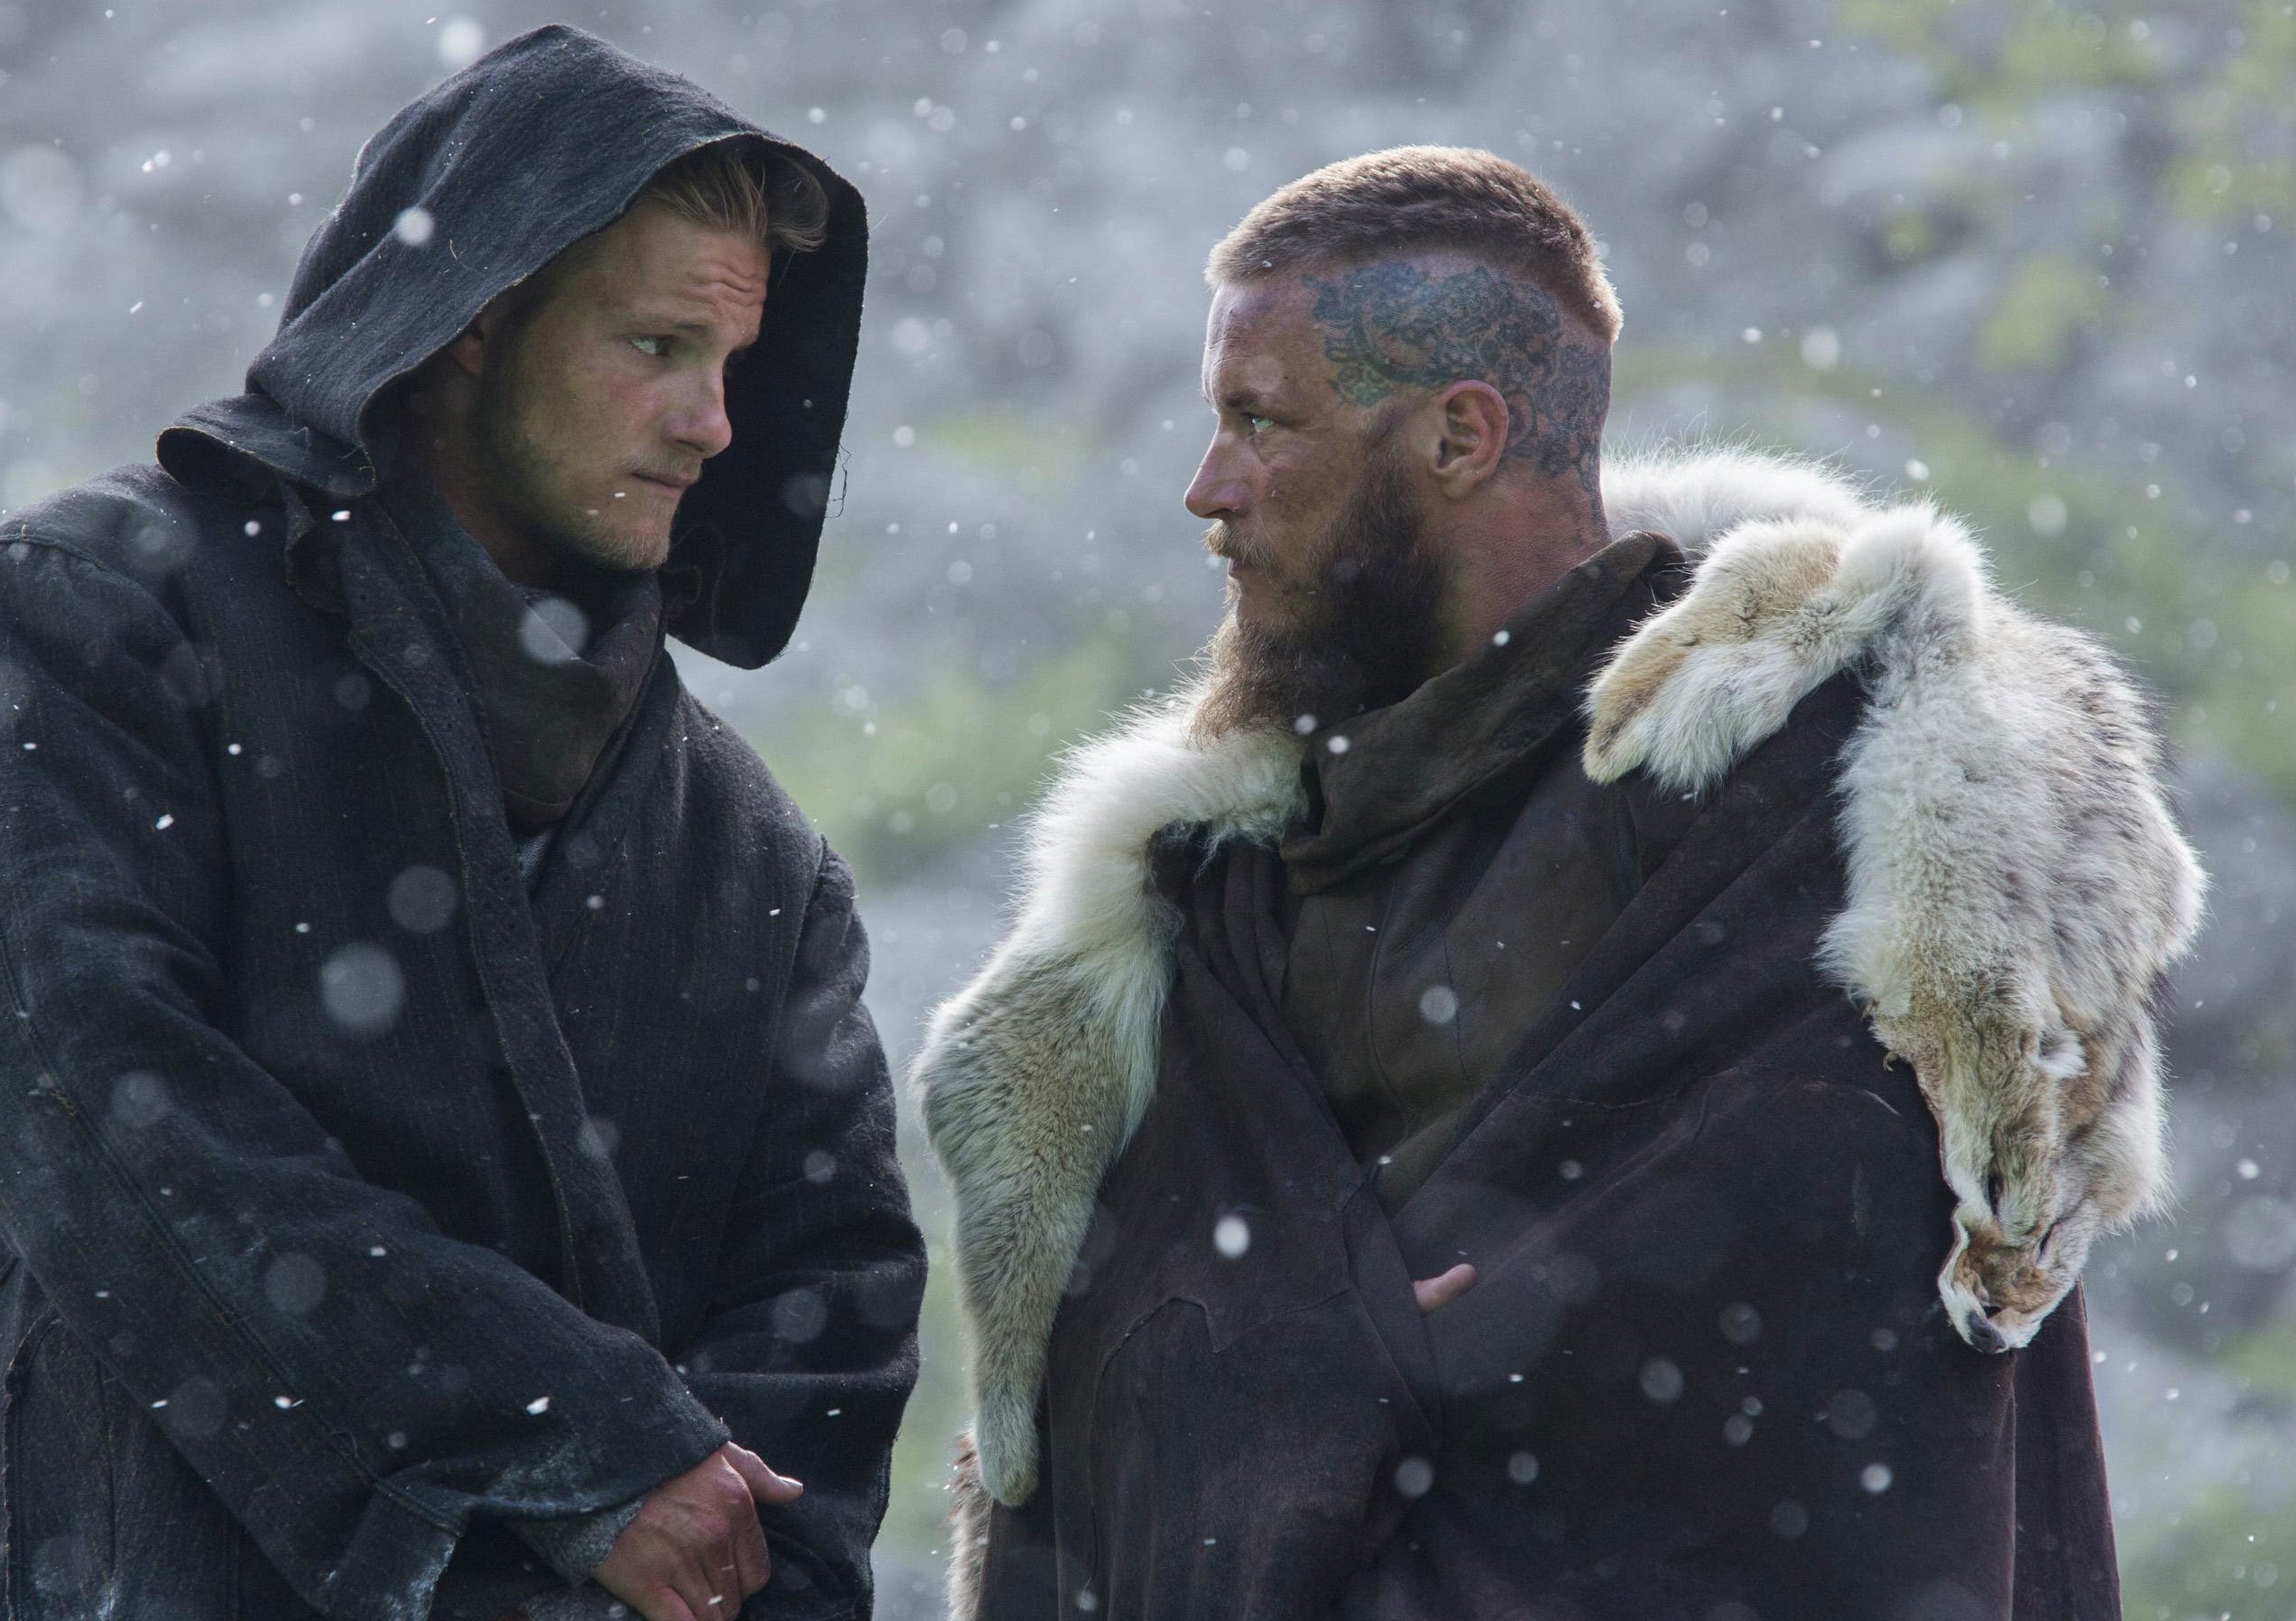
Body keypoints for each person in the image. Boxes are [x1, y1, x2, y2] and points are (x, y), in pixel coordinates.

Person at [918, 148, 2203, 1620]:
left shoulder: (1804, 797)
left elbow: (1790, 1320)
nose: (1208, 491)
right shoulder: (1227, 883)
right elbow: (1117, 1374)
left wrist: (1346, 1364)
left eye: (1260, 423)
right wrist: (1294, 1359)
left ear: (1460, 436)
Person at [0, 25, 924, 1621]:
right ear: (476, 320)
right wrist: (574, 1447)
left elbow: (829, 1303)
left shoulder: (750, 854)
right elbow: (95, 1106)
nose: (713, 420)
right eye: (654, 346)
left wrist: (721, 1553)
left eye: (731, 363)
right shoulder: (86, 624)